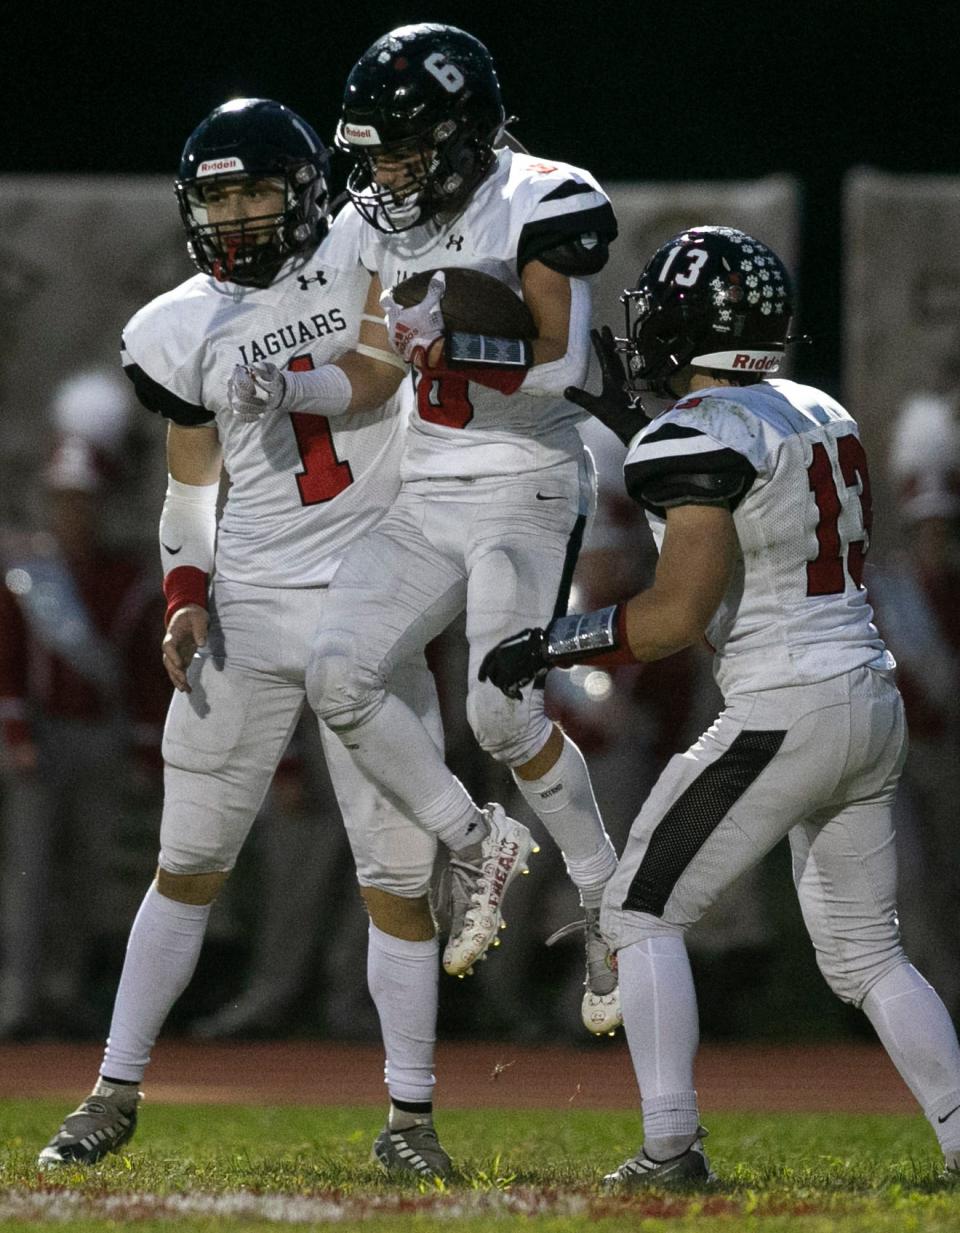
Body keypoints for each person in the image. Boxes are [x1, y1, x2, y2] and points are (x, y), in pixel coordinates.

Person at [479, 225, 960, 1186]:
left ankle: (669, 1148)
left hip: (788, 705)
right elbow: (737, 484)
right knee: (867, 955)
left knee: (638, 908)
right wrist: (631, 419)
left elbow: (672, 615)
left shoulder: (696, 436)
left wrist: (549, 640)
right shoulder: (818, 409)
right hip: (867, 697)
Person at [38, 97, 462, 1180]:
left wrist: (293, 374)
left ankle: (410, 1116)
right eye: (216, 194)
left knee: (394, 881)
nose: (234, 213)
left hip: (371, 603)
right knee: (187, 863)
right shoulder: (179, 323)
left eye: (254, 189)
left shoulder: (366, 253)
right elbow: (193, 484)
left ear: (306, 188)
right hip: (255, 609)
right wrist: (185, 590)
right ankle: (113, 1089)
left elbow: (379, 372)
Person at [226, 23, 623, 1035]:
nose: (386, 172)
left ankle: (603, 893)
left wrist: (454, 333)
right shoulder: (375, 222)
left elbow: (565, 364)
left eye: (404, 149)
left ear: (461, 132)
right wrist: (289, 384)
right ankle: (473, 837)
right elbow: (371, 374)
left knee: (498, 716)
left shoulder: (541, 194)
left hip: (527, 482)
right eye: (375, 152)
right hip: (428, 489)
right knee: (339, 677)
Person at [0, 425, 165, 1039]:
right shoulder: (27, 572)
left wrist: (147, 748)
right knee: (30, 876)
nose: (74, 512)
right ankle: (18, 1001)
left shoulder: (125, 580)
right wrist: (15, 733)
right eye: (64, 500)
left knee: (88, 878)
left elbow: (144, 673)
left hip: (103, 740)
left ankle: (63, 995)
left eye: (84, 500)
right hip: (40, 739)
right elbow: (8, 658)